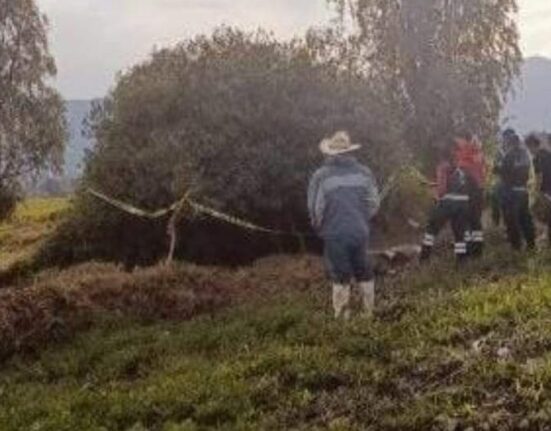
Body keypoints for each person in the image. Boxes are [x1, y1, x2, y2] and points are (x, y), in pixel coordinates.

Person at [308, 131, 380, 320]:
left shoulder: (321, 176)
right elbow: (374, 203)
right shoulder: (365, 172)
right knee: (363, 270)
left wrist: (318, 226)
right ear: (349, 151)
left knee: (340, 274)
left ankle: (342, 320)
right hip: (360, 230)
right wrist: (362, 219)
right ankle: (368, 313)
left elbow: (316, 208)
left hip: (335, 232)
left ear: (330, 153)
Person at [420, 141, 473, 263]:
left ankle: (424, 258)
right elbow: (453, 184)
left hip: (449, 203)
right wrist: (432, 184)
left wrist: (436, 195)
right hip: (464, 203)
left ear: (440, 155)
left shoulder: (442, 165)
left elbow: (442, 190)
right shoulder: (459, 167)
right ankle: (462, 261)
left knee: (431, 228)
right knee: (459, 233)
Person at [496, 130, 535, 251]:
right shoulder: (526, 154)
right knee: (525, 219)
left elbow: (504, 172)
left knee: (511, 220)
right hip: (523, 190)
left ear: (510, 143)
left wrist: (496, 168)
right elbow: (527, 172)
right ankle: (531, 244)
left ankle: (516, 247)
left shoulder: (509, 154)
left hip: (511, 192)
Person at [454, 133, 487, 257]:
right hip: (479, 190)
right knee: (476, 221)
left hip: (468, 192)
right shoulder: (479, 153)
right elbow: (483, 172)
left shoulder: (463, 154)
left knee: (465, 222)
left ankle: (467, 252)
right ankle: (477, 251)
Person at [527, 133, 551, 244]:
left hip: (546, 189)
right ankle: (546, 236)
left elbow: (539, 176)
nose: (529, 151)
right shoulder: (547, 153)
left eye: (529, 147)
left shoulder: (536, 158)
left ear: (533, 145)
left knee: (539, 211)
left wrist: (536, 192)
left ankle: (545, 237)